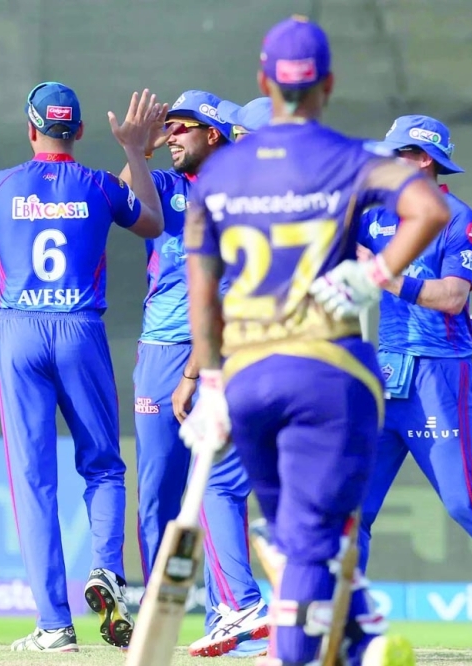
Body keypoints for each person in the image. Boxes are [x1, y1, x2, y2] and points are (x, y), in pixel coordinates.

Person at [180, 15, 451, 666]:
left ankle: (357, 633)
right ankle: (327, 638)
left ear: (262, 82)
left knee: (294, 539)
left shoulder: (219, 175)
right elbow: (431, 209)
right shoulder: (349, 157)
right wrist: (374, 275)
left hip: (247, 378)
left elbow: (202, 292)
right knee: (309, 545)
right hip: (328, 375)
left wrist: (209, 381)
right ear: (328, 84)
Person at [0, 84, 164, 651]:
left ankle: (54, 625)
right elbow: (152, 222)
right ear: (77, 131)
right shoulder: (100, 185)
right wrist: (135, 152)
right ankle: (106, 569)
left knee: (34, 481)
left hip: (20, 331)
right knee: (103, 465)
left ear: (31, 129)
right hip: (80, 329)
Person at [357, 115, 472, 660]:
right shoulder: (375, 215)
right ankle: (342, 622)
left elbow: (453, 296)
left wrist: (385, 277)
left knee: (463, 501)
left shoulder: (459, 220)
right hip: (387, 373)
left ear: (423, 159)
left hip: (441, 372)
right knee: (350, 509)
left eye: (396, 153)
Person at [121, 89, 269, 658]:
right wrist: (140, 150)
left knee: (216, 484)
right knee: (159, 491)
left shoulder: (240, 195)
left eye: (182, 127)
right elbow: (122, 199)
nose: (172, 136)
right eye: (169, 128)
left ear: (214, 134)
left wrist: (196, 367)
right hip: (161, 352)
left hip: (215, 352)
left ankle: (228, 612)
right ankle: (162, 614)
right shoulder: (163, 185)